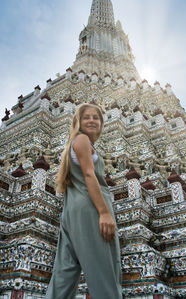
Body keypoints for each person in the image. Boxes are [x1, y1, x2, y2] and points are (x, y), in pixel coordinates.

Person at [45, 103, 123, 299]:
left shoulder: (75, 143)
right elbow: (89, 174)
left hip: (71, 214)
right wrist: (104, 213)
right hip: (91, 210)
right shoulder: (81, 140)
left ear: (101, 123)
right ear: (78, 122)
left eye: (95, 117)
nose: (91, 120)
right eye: (86, 117)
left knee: (64, 275)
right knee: (105, 271)